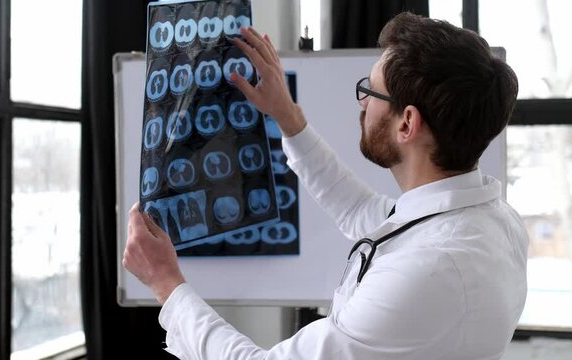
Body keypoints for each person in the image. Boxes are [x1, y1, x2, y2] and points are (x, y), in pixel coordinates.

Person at [123, 12, 528, 359]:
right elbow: (357, 209)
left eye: (370, 91)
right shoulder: (490, 221)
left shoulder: (429, 269)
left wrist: (166, 285)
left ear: (407, 123)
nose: (362, 103)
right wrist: (287, 116)